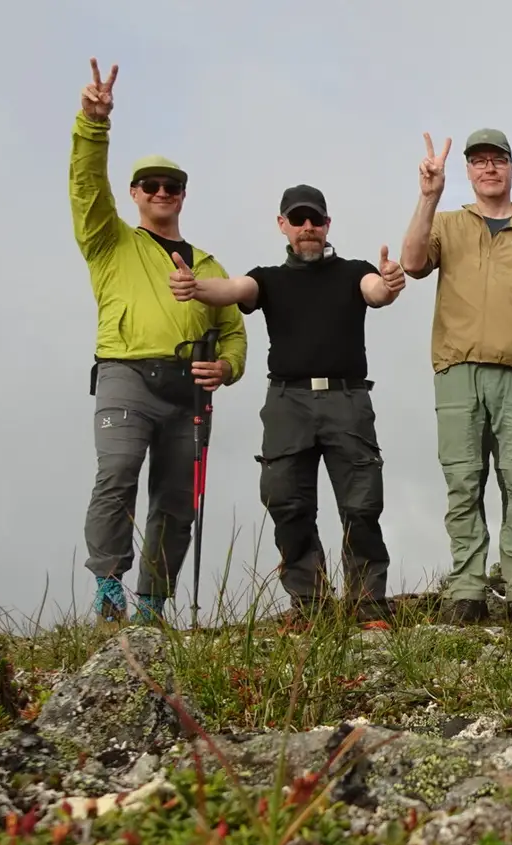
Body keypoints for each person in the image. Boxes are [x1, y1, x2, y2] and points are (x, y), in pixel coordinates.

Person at [168, 183, 406, 626]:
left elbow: (377, 291)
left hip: (347, 398)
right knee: (286, 502)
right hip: (286, 400)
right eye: (298, 220)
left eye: (316, 219)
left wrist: (390, 283)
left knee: (361, 504)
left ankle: (369, 604)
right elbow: (234, 288)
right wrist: (195, 287)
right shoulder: (269, 279)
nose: (308, 228)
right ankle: (310, 603)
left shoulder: (355, 270)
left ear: (328, 224)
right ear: (283, 226)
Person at [71, 58, 246, 625]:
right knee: (117, 473)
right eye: (152, 185)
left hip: (190, 393)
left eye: (173, 186)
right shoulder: (110, 241)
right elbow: (86, 187)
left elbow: (235, 332)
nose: (162, 192)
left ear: (183, 196)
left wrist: (227, 368)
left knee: (176, 501)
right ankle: (107, 584)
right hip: (125, 375)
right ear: (135, 193)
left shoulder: (212, 264)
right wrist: (93, 124)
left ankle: (152, 603)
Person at [400, 128, 512, 626]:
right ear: (470, 172)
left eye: (497, 159)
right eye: (478, 161)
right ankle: (467, 591)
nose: (488, 168)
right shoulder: (449, 224)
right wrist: (428, 196)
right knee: (463, 483)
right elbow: (413, 262)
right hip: (456, 373)